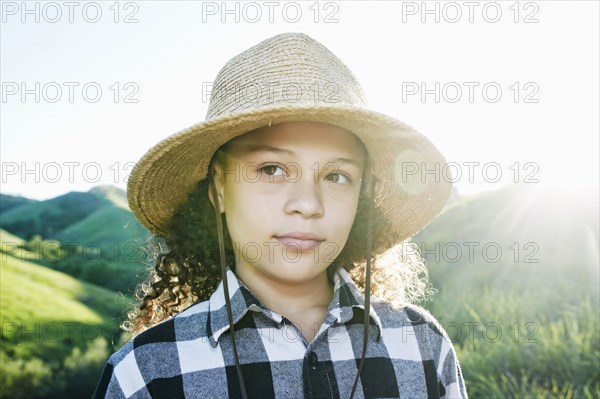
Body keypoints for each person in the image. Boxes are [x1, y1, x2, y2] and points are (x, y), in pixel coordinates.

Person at [93, 32, 468, 398]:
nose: (308, 203)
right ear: (218, 188)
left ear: (362, 196)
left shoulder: (422, 347)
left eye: (337, 176)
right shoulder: (146, 374)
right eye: (272, 169)